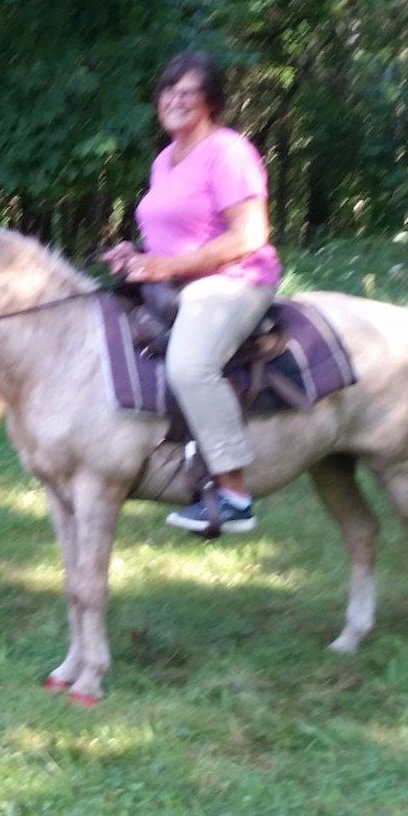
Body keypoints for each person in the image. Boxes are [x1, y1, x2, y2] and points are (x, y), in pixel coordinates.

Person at [102, 50, 282, 534]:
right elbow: (179, 232)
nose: (175, 101)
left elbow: (249, 236)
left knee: (189, 364)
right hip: (173, 283)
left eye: (189, 93)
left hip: (234, 282)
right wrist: (135, 253)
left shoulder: (229, 152)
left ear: (212, 103)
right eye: (168, 91)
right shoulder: (164, 160)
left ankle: (234, 494)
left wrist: (163, 265)